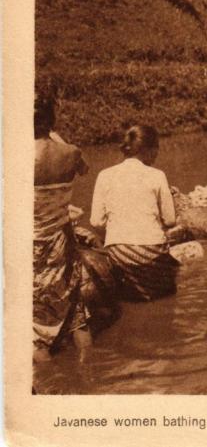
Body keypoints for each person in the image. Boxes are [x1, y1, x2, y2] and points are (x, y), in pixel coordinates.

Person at [33, 90, 92, 358]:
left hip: (32, 243)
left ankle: (44, 388)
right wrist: (56, 136)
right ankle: (86, 371)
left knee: (36, 329)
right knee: (77, 313)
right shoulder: (70, 152)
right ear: (52, 119)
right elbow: (85, 170)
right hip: (62, 242)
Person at [90, 125, 179, 301]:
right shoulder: (157, 175)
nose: (157, 154)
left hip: (120, 253)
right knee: (167, 295)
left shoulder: (104, 175)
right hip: (153, 250)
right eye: (157, 149)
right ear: (148, 150)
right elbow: (170, 221)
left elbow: (96, 222)